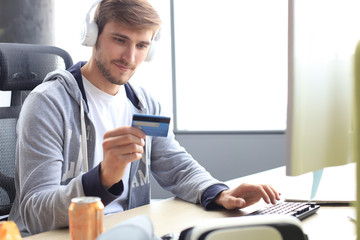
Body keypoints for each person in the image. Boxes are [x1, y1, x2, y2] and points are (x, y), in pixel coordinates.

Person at [8, 0, 280, 236]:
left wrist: (218, 193)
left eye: (141, 45)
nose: (130, 57)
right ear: (92, 36)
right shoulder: (48, 104)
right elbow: (35, 212)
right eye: (119, 40)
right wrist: (102, 179)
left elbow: (175, 164)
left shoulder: (144, 104)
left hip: (127, 230)